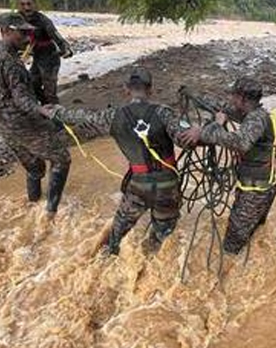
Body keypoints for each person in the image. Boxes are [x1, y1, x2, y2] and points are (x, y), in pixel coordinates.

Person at [41, 68, 186, 255]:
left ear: (126, 89)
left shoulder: (113, 116)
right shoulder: (164, 113)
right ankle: (148, 262)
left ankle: (103, 263)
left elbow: (84, 117)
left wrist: (55, 112)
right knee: (161, 237)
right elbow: (186, 139)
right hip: (167, 186)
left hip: (138, 186)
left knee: (116, 234)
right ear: (150, 90)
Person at [0, 13, 71, 218]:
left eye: (28, 33)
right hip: (22, 123)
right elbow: (22, 100)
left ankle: (32, 207)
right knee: (62, 159)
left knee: (35, 168)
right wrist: (43, 110)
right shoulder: (12, 63)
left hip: (3, 123)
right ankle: (51, 212)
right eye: (21, 33)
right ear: (5, 31)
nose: (27, 38)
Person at [179, 77, 276, 255]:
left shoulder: (257, 120)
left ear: (242, 98)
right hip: (259, 190)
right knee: (253, 236)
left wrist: (210, 128)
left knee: (230, 248)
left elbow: (240, 143)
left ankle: (229, 277)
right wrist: (194, 95)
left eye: (233, 95)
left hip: (254, 195)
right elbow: (223, 107)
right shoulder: (251, 113)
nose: (231, 99)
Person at [16, 0, 74, 105]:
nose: (26, 8)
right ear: (18, 5)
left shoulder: (43, 20)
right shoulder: (18, 19)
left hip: (50, 57)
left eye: (29, 4)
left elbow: (57, 36)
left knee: (50, 93)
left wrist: (65, 49)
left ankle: (57, 118)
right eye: (23, 4)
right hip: (37, 56)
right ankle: (45, 108)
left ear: (34, 4)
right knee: (31, 86)